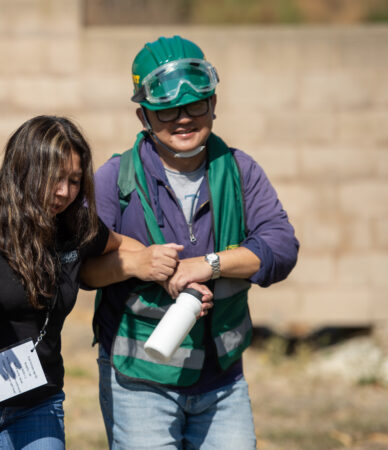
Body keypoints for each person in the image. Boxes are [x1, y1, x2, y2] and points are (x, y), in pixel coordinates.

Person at [0, 115, 212, 449]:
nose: (64, 192)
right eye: (54, 178)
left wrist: (167, 275)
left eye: (75, 180)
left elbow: (123, 245)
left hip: (37, 402)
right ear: (25, 168)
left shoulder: (76, 225)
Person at [82, 36, 299, 449]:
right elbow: (83, 269)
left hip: (222, 379)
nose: (182, 119)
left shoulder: (239, 171)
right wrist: (137, 264)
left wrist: (207, 265)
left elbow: (281, 247)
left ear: (214, 104)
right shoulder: (116, 179)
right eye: (166, 109)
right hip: (139, 379)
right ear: (144, 115)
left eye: (195, 105)